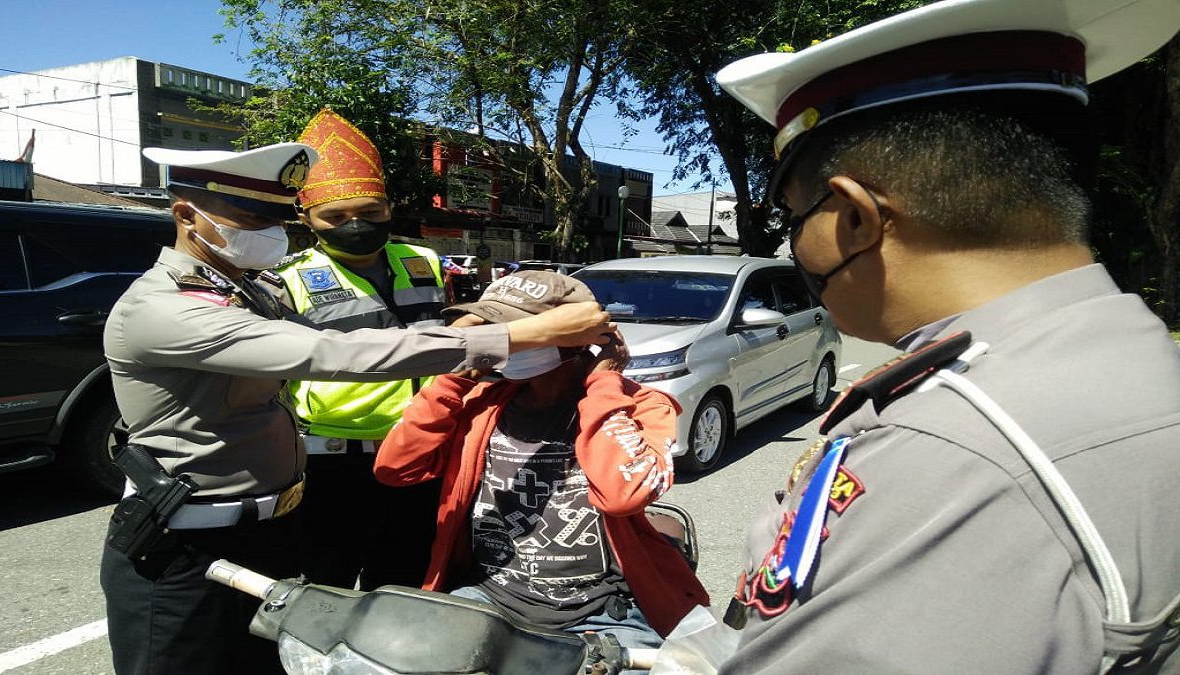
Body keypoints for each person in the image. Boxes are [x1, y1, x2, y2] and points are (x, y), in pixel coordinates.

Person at [713, 0, 1180, 671]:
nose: (795, 245)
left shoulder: (950, 454)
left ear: (854, 217)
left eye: (794, 216)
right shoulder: (1131, 350)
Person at [100, 144, 613, 675]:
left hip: (269, 529)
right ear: (187, 216)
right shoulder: (166, 309)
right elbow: (333, 353)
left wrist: (470, 334)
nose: (271, 233)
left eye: (276, 220)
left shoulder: (246, 291)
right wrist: (521, 334)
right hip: (186, 542)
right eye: (252, 219)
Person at [374, 271, 709, 656]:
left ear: (577, 337)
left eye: (515, 329)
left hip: (604, 612)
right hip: (489, 596)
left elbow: (623, 495)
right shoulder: (481, 402)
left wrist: (604, 385)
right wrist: (452, 380)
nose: (502, 340)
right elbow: (396, 468)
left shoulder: (639, 407)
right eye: (491, 329)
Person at [266, 109, 444, 590]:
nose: (356, 225)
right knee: (329, 581)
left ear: (389, 207)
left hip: (421, 445)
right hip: (332, 459)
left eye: (371, 212)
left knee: (404, 577)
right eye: (336, 217)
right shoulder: (286, 279)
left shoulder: (424, 261)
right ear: (306, 217)